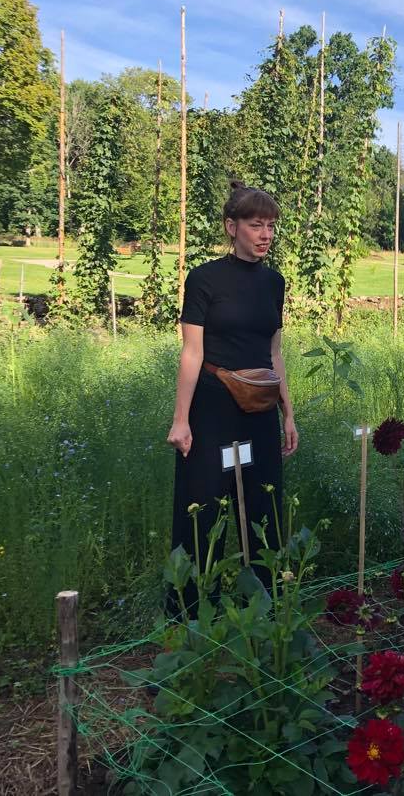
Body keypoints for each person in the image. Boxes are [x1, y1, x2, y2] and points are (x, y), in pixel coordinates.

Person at [165, 182, 298, 615]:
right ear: (231, 227)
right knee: (201, 504)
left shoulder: (274, 283)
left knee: (264, 503)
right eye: (256, 225)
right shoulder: (203, 279)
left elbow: (274, 352)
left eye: (271, 226)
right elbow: (192, 352)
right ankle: (189, 612)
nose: (265, 234)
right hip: (213, 407)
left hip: (259, 411)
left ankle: (260, 607)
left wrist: (287, 413)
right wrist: (181, 419)